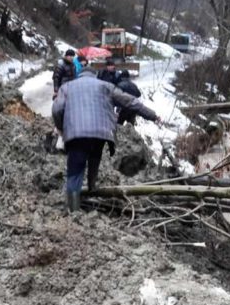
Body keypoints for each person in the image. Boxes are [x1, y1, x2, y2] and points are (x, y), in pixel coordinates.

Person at [52, 67, 160, 211]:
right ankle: (92, 187)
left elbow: (57, 109)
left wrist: (61, 128)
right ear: (95, 75)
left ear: (79, 76)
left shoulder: (67, 87)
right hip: (101, 132)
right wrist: (153, 116)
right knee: (95, 156)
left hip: (76, 134)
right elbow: (131, 102)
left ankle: (73, 209)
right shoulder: (106, 86)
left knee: (75, 170)